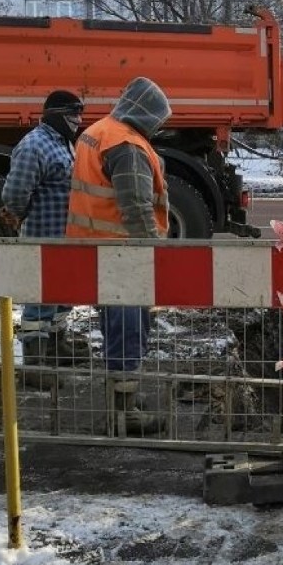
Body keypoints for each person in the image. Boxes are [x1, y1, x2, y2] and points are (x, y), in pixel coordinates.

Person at [66, 76, 171, 431]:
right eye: (159, 119)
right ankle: (125, 415)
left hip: (96, 248)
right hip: (123, 253)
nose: (159, 127)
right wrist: (152, 257)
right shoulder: (126, 145)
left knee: (116, 326)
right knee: (128, 328)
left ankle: (122, 399)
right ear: (146, 113)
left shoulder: (98, 131)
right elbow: (137, 208)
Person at [1, 90, 88, 367]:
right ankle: (35, 363)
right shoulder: (33, 146)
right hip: (42, 239)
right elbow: (14, 193)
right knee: (40, 299)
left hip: (64, 239)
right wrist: (18, 215)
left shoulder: (64, 143)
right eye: (72, 114)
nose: (78, 120)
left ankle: (56, 347)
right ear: (55, 115)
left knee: (61, 294)